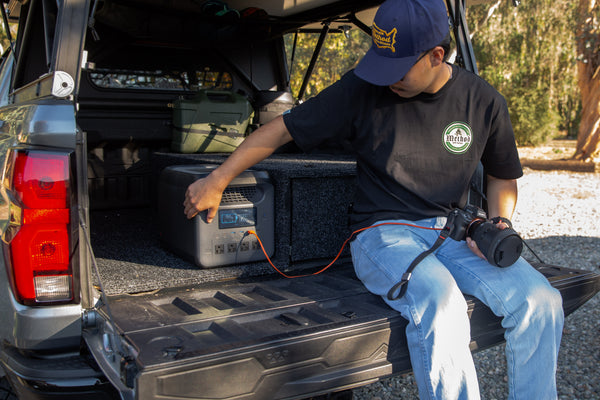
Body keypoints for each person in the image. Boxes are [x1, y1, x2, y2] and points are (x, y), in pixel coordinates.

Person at [183, 0, 564, 398]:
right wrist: (218, 179)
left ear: (436, 56)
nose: (386, 78)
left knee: (541, 302)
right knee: (442, 303)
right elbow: (281, 130)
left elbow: (502, 176)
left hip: (453, 233)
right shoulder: (363, 88)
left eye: (398, 67)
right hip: (383, 235)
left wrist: (499, 224)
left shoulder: (483, 101)